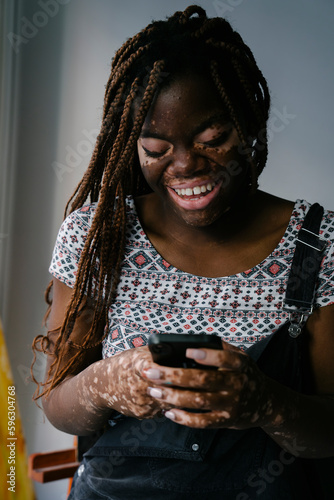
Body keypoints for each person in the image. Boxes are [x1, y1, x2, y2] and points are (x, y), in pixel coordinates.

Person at [32, 5, 334, 499]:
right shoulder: (96, 238)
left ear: (251, 122)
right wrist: (106, 383)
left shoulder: (318, 245)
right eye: (155, 149)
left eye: (213, 139)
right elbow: (58, 406)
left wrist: (266, 404)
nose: (187, 166)